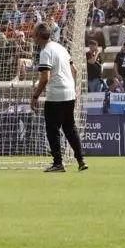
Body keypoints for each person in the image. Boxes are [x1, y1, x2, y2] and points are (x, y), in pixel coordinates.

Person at [29, 22, 86, 173]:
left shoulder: (46, 52)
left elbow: (45, 78)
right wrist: (70, 87)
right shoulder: (61, 48)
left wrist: (35, 96)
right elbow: (74, 70)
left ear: (38, 36)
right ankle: (81, 160)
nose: (32, 36)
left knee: (52, 129)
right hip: (69, 93)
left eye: (34, 34)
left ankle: (58, 163)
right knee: (70, 128)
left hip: (56, 95)